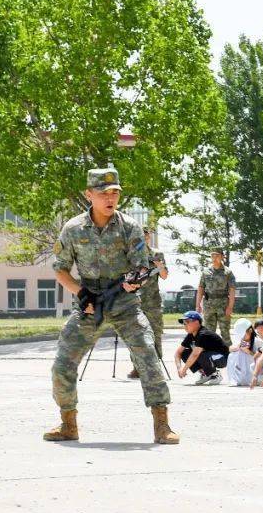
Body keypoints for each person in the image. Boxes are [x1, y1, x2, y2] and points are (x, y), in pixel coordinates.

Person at [43, 167, 178, 445]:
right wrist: (82, 294)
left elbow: (142, 265)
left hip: (124, 301)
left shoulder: (130, 227)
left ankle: (162, 424)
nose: (110, 198)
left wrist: (135, 281)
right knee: (62, 363)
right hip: (89, 300)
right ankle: (68, 423)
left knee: (148, 357)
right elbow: (60, 269)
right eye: (104, 193)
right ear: (89, 195)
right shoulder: (73, 229)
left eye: (115, 192)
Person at [128, 227, 168, 379]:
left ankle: (155, 366)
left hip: (153, 301)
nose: (145, 237)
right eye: (142, 234)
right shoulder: (131, 254)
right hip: (135, 300)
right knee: (135, 334)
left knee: (155, 333)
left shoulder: (157, 254)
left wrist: (160, 266)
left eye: (147, 235)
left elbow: (164, 276)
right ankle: (137, 367)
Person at [175, 310, 229, 386]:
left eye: (187, 322)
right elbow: (178, 352)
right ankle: (205, 373)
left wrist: (184, 370)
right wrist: (179, 368)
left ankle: (215, 374)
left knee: (199, 354)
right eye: (183, 323)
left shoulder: (203, 334)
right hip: (209, 356)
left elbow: (195, 354)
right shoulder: (191, 335)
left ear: (197, 322)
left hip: (222, 358)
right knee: (185, 353)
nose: (185, 325)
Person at [196, 248, 236, 347]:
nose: (214, 258)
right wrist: (198, 305)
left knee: (225, 332)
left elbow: (232, 290)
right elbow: (201, 288)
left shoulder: (228, 272)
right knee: (208, 333)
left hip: (223, 305)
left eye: (217, 256)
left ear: (222, 256)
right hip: (208, 305)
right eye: (212, 256)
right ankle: (210, 354)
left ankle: (228, 356)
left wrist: (230, 307)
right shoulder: (206, 272)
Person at [226, 318, 258, 386]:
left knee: (242, 353)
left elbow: (261, 358)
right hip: (244, 367)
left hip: (255, 368)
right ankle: (235, 378)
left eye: (243, 334)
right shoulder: (241, 340)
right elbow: (230, 349)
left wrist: (248, 351)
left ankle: (247, 378)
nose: (242, 337)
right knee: (233, 354)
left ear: (250, 330)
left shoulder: (257, 341)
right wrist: (238, 347)